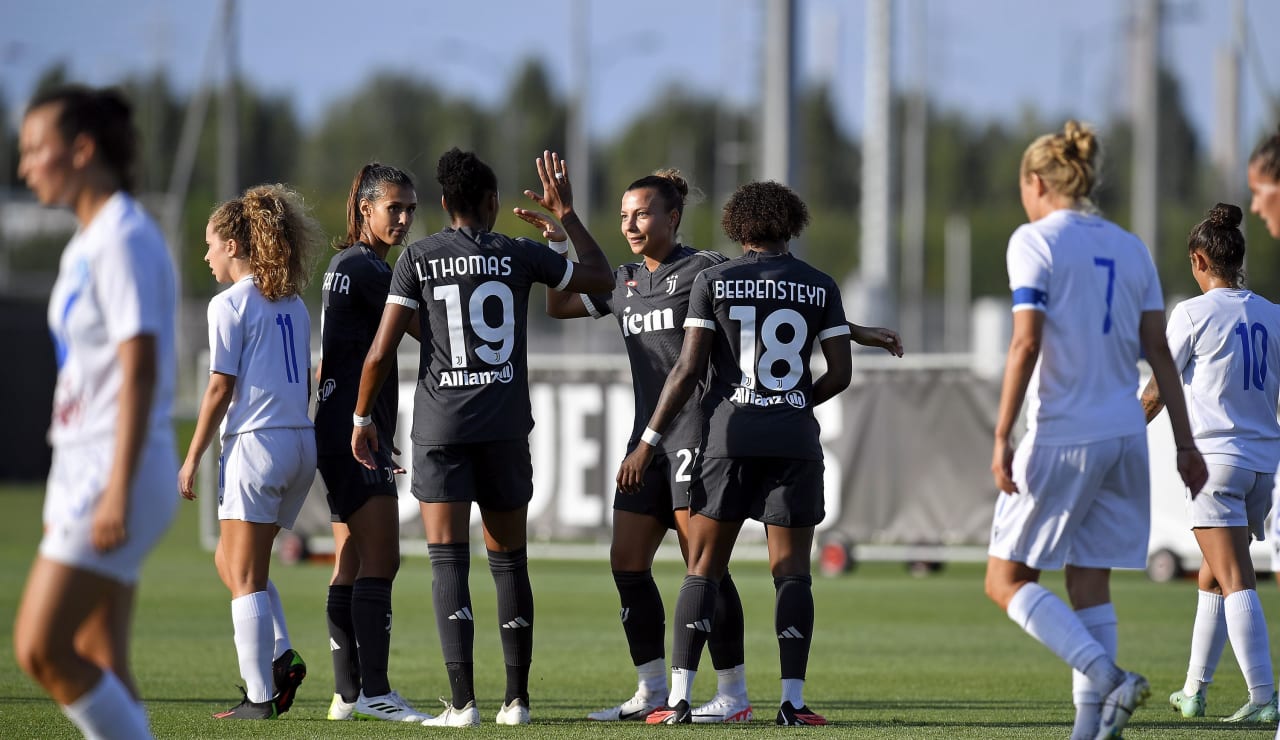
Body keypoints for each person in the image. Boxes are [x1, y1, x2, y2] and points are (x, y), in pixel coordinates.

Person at [351, 148, 614, 726]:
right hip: (503, 428)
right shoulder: (519, 254)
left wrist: (363, 419)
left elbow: (379, 352)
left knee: (448, 562)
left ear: (443, 204)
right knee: (511, 563)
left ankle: (463, 705)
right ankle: (516, 702)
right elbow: (600, 277)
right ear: (494, 203)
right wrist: (565, 221)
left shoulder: (416, 259)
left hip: (441, 429)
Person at [983, 120, 1208, 740]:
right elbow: (1160, 353)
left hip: (1064, 430)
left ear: (1036, 182)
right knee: (1088, 580)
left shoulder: (1035, 241)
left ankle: (1108, 677)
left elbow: (1025, 342)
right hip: (1126, 435)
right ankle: (1089, 734)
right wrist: (1185, 444)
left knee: (1005, 580)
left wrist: (1001, 434)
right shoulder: (1130, 245)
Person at [616, 180, 854, 726]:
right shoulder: (821, 285)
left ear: (736, 227)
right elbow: (839, 374)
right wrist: (793, 401)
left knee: (703, 566)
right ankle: (792, 703)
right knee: (792, 573)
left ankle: (677, 700)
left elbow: (688, 370)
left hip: (728, 439)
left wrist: (648, 440)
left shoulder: (714, 280)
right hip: (793, 441)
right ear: (792, 225)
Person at [12, 84, 179, 740]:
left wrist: (115, 490)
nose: (25, 166)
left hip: (120, 466)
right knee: (104, 661)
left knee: (40, 649)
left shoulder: (123, 236)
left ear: (81, 151)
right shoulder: (85, 242)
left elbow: (139, 367)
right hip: (84, 465)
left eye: (35, 150)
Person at [177, 183, 322, 720]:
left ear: (235, 246)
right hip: (298, 444)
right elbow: (303, 380)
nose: (206, 254)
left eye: (211, 243)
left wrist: (191, 457)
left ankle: (260, 697)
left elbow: (219, 388)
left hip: (256, 445)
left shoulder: (229, 304)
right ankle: (282, 652)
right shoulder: (291, 302)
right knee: (232, 562)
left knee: (243, 578)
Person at [1143, 203, 1280, 724]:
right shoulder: (1272, 313)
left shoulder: (1193, 313)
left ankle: (1265, 696)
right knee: (1212, 576)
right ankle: (1193, 691)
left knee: (1236, 577)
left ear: (1200, 260)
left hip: (1214, 466)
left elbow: (1159, 388)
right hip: (1262, 467)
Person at [315, 163, 431, 722]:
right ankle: (377, 692)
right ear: (366, 210)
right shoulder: (367, 269)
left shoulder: (349, 264)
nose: (404, 219)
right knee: (382, 559)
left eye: (410, 208)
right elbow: (430, 326)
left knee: (352, 561)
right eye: (394, 208)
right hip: (354, 430)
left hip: (338, 424)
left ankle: (348, 693)